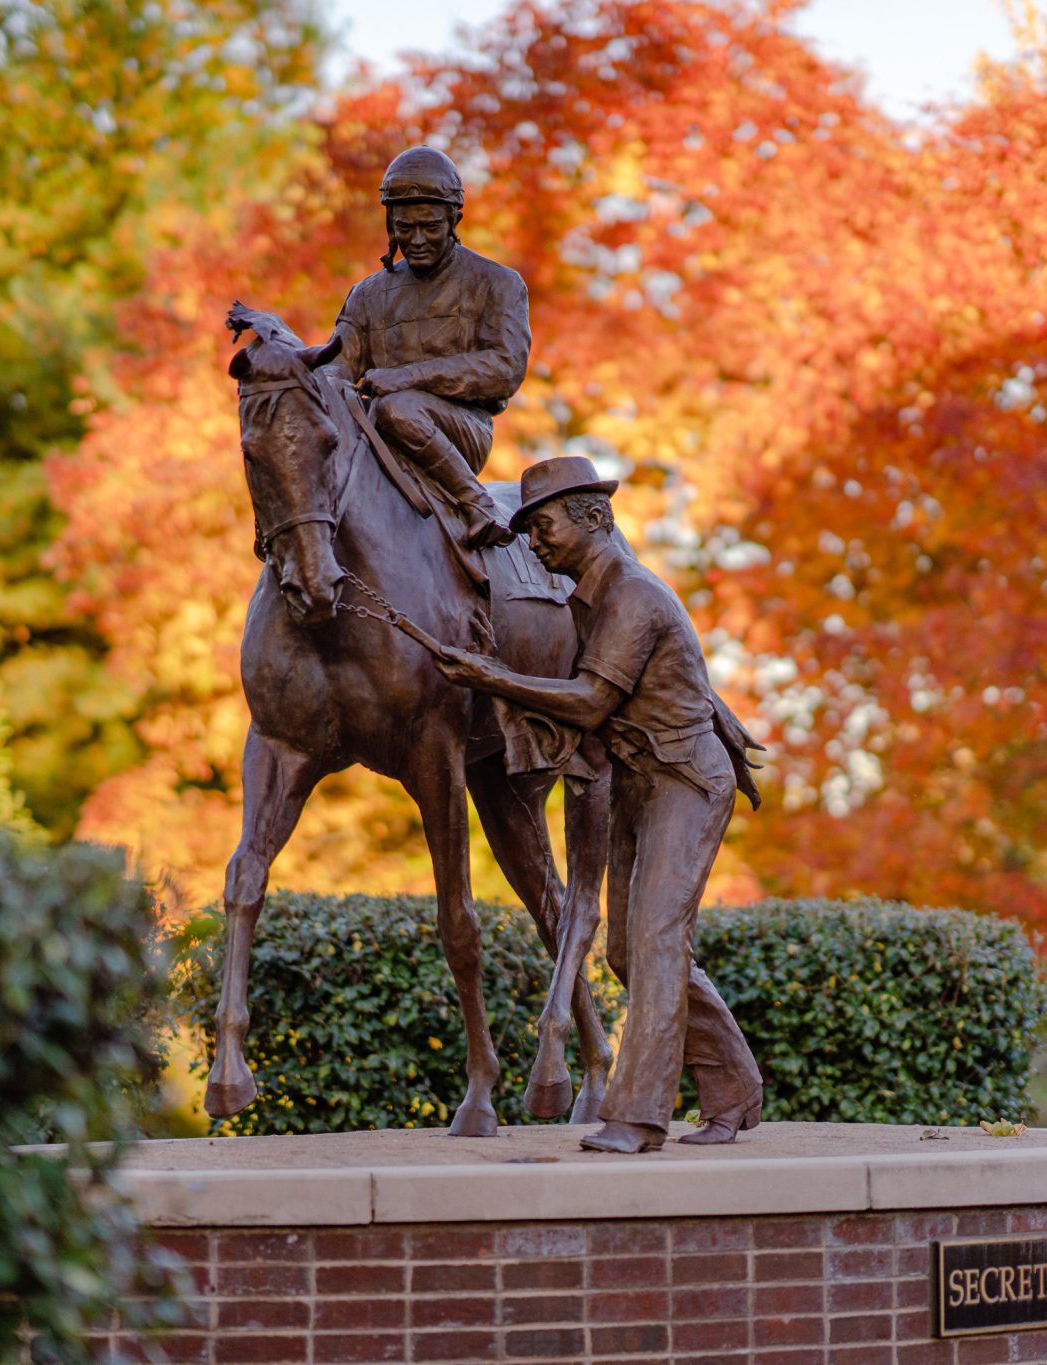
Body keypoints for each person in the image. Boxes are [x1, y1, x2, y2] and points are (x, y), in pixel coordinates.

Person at [433, 456, 767, 1153]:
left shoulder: (632, 597)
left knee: (654, 939)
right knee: (624, 950)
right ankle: (735, 1087)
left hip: (685, 779)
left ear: (594, 519)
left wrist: (494, 676)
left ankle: (638, 1115)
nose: (534, 542)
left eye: (544, 525)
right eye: (527, 531)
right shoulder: (588, 598)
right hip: (637, 781)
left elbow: (588, 699)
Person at [317, 145, 527, 551]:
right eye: (403, 227)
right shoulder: (367, 295)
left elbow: (505, 368)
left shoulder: (497, 283)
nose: (415, 240)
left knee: (398, 406)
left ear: (453, 219)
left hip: (460, 430)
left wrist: (405, 378)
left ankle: (474, 502)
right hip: (374, 435)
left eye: (429, 227)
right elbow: (337, 365)